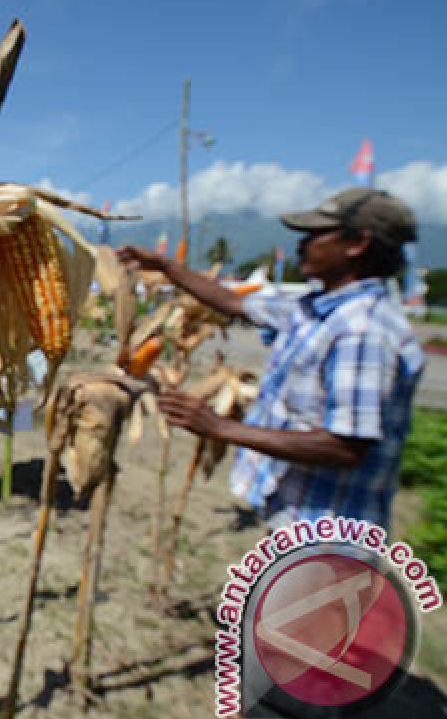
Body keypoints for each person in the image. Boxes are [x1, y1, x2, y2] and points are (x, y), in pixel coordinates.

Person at [118, 187, 423, 530]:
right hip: (295, 516)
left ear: (357, 244)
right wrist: (164, 266)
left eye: (314, 235)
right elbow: (232, 303)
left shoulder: (363, 329)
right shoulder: (313, 309)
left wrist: (219, 427)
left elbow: (346, 447)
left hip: (329, 532)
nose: (301, 244)